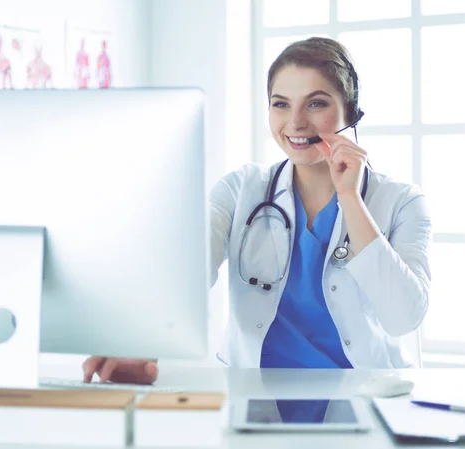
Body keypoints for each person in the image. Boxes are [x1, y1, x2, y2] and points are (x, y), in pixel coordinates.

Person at [83, 37, 432, 384]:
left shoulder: (402, 202)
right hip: (257, 398)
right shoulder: (241, 190)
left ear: (350, 113)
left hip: (364, 397)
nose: (295, 123)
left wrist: (350, 199)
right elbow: (186, 270)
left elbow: (403, 317)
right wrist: (137, 339)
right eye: (281, 104)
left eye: (315, 104)